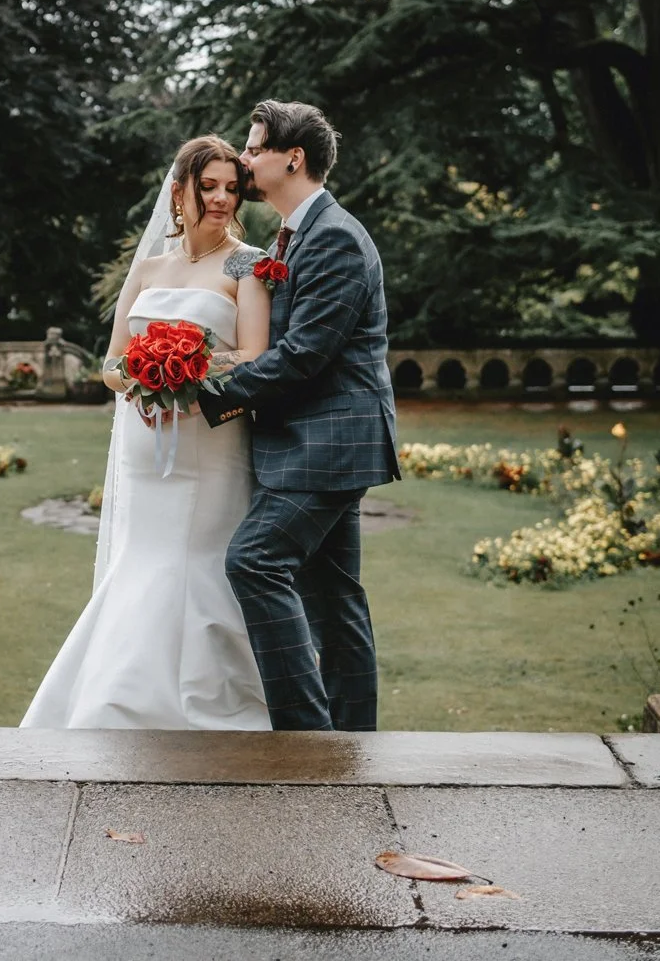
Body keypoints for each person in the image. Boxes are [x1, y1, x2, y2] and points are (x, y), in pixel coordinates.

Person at [21, 134, 273, 729]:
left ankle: (212, 698)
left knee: (200, 557)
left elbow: (258, 356)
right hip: (144, 437)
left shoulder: (248, 262)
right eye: (207, 186)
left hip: (209, 439)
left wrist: (190, 369)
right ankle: (119, 696)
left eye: (231, 189)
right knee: (143, 558)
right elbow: (109, 363)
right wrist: (142, 377)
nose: (220, 198)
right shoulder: (151, 267)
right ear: (178, 191)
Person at [196, 99, 400, 731]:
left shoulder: (335, 236)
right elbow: (260, 329)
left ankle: (304, 735)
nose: (246, 158)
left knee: (253, 562)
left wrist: (208, 394)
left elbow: (305, 354)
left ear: (294, 157)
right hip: (316, 442)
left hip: (328, 443)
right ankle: (352, 743)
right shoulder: (288, 237)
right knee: (335, 601)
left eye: (254, 148)